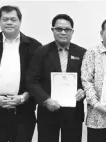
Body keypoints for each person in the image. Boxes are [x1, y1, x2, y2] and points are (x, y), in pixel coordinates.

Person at [0, 5, 42, 142]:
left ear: (20, 21)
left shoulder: (34, 46)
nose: (9, 22)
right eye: (5, 19)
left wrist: (23, 98)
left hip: (23, 111)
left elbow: (38, 78)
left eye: (13, 19)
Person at [26, 14, 86, 142]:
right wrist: (45, 100)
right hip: (48, 111)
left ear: (72, 31)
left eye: (67, 29)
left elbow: (87, 79)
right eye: (59, 29)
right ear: (52, 30)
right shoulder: (40, 52)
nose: (63, 32)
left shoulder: (82, 53)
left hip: (73, 113)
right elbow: (32, 80)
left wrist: (83, 90)